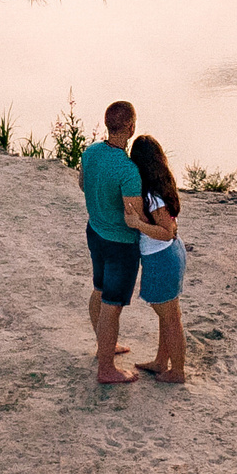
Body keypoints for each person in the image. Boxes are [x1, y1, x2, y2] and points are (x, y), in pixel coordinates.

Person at [82, 100, 147, 384]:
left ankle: (103, 346)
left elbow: (83, 183)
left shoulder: (91, 152)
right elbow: (135, 215)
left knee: (99, 289)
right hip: (120, 244)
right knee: (112, 304)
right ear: (131, 128)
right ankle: (106, 368)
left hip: (95, 231)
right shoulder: (127, 170)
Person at [127, 135, 186, 384]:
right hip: (171, 254)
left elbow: (165, 232)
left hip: (162, 257)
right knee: (168, 315)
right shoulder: (162, 186)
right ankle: (162, 362)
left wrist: (137, 224)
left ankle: (178, 371)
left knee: (171, 318)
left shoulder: (153, 195)